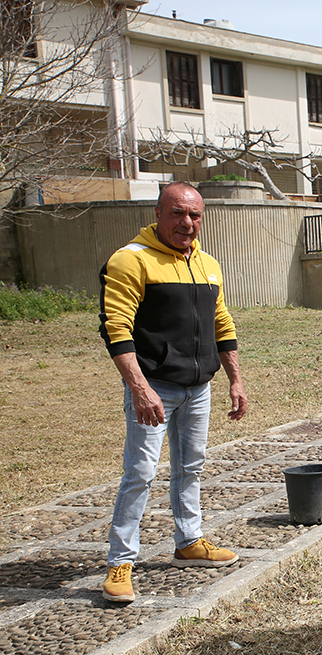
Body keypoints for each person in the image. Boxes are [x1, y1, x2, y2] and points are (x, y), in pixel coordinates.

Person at [98, 182, 247, 603]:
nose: (187, 223)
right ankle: (120, 562)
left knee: (192, 466)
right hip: (155, 388)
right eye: (178, 213)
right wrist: (140, 388)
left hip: (198, 387)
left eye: (195, 215)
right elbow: (116, 329)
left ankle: (189, 542)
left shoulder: (207, 264)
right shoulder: (131, 260)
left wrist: (234, 378)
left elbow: (222, 324)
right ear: (158, 213)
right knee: (140, 474)